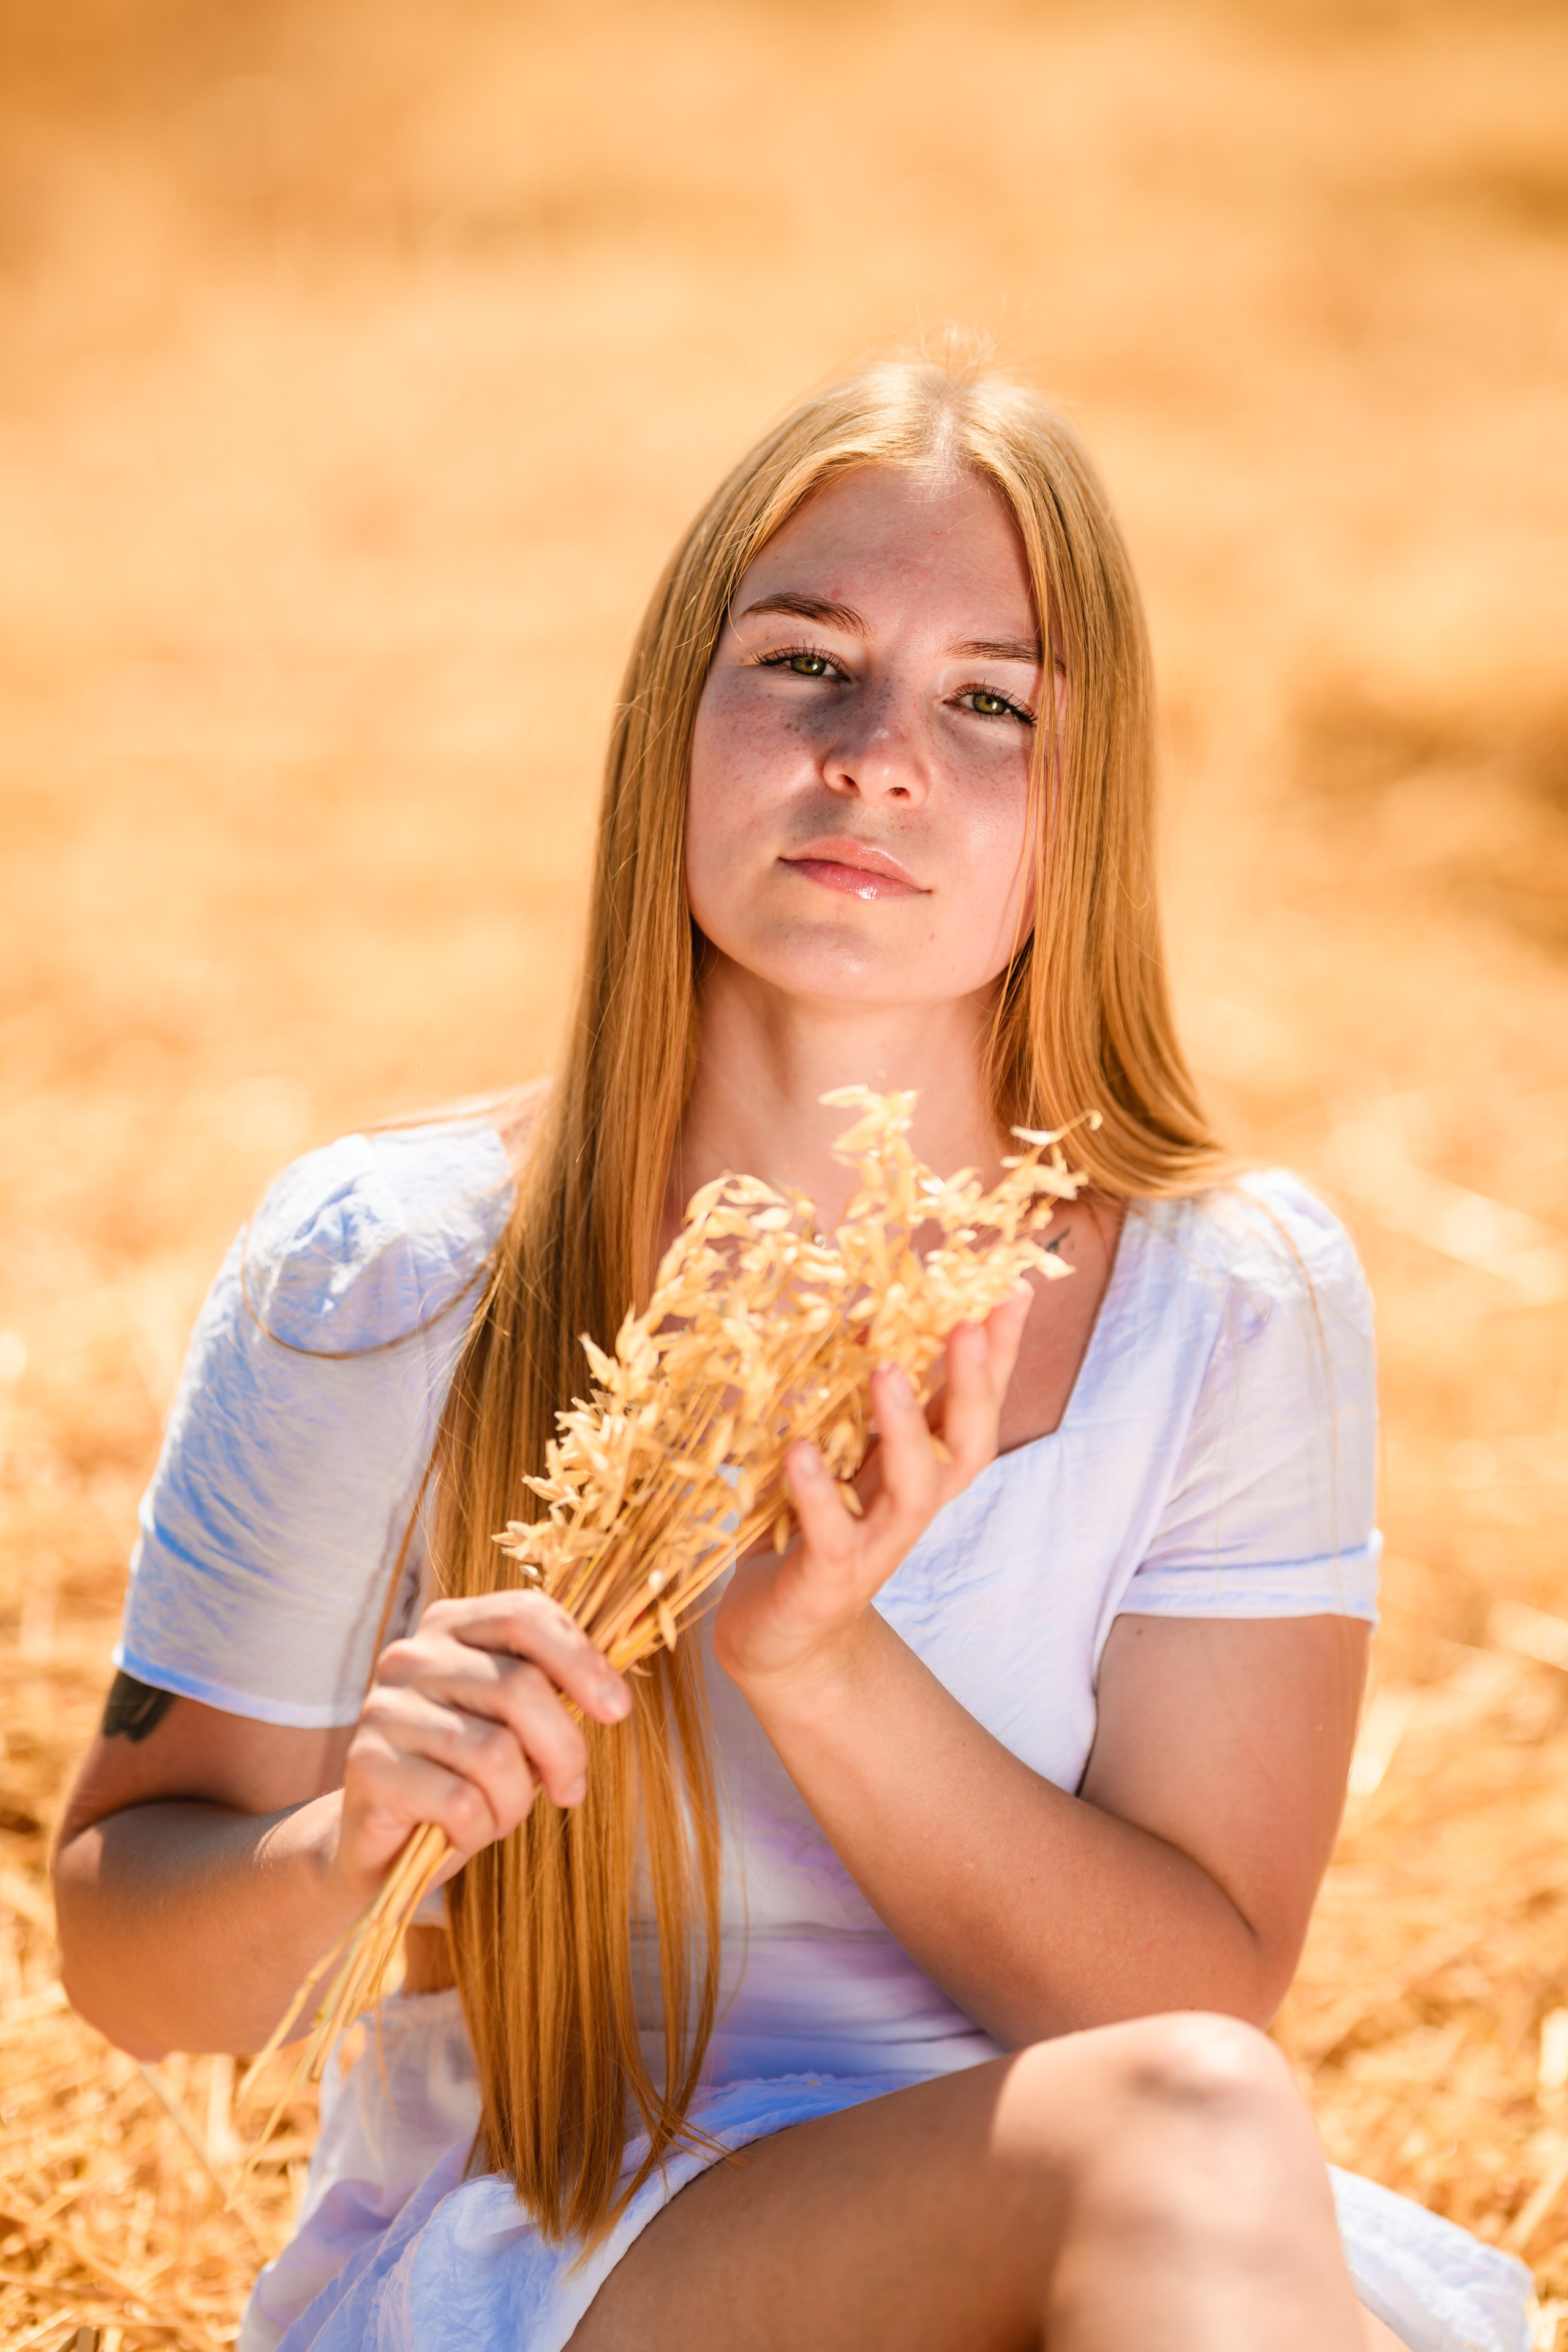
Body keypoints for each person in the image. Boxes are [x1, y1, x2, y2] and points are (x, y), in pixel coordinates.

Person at [52, 353, 1531, 2352]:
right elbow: (132, 1957)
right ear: (673, 716)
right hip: (572, 2256)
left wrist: (822, 1666)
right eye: (804, 664)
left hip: (1126, 2250)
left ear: (1084, 814)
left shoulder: (1231, 1295)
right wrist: (351, 1846)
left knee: (1189, 2126)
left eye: (989, 703)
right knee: (1185, 2131)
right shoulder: (391, 1266)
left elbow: (1185, 1994)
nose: (877, 757)